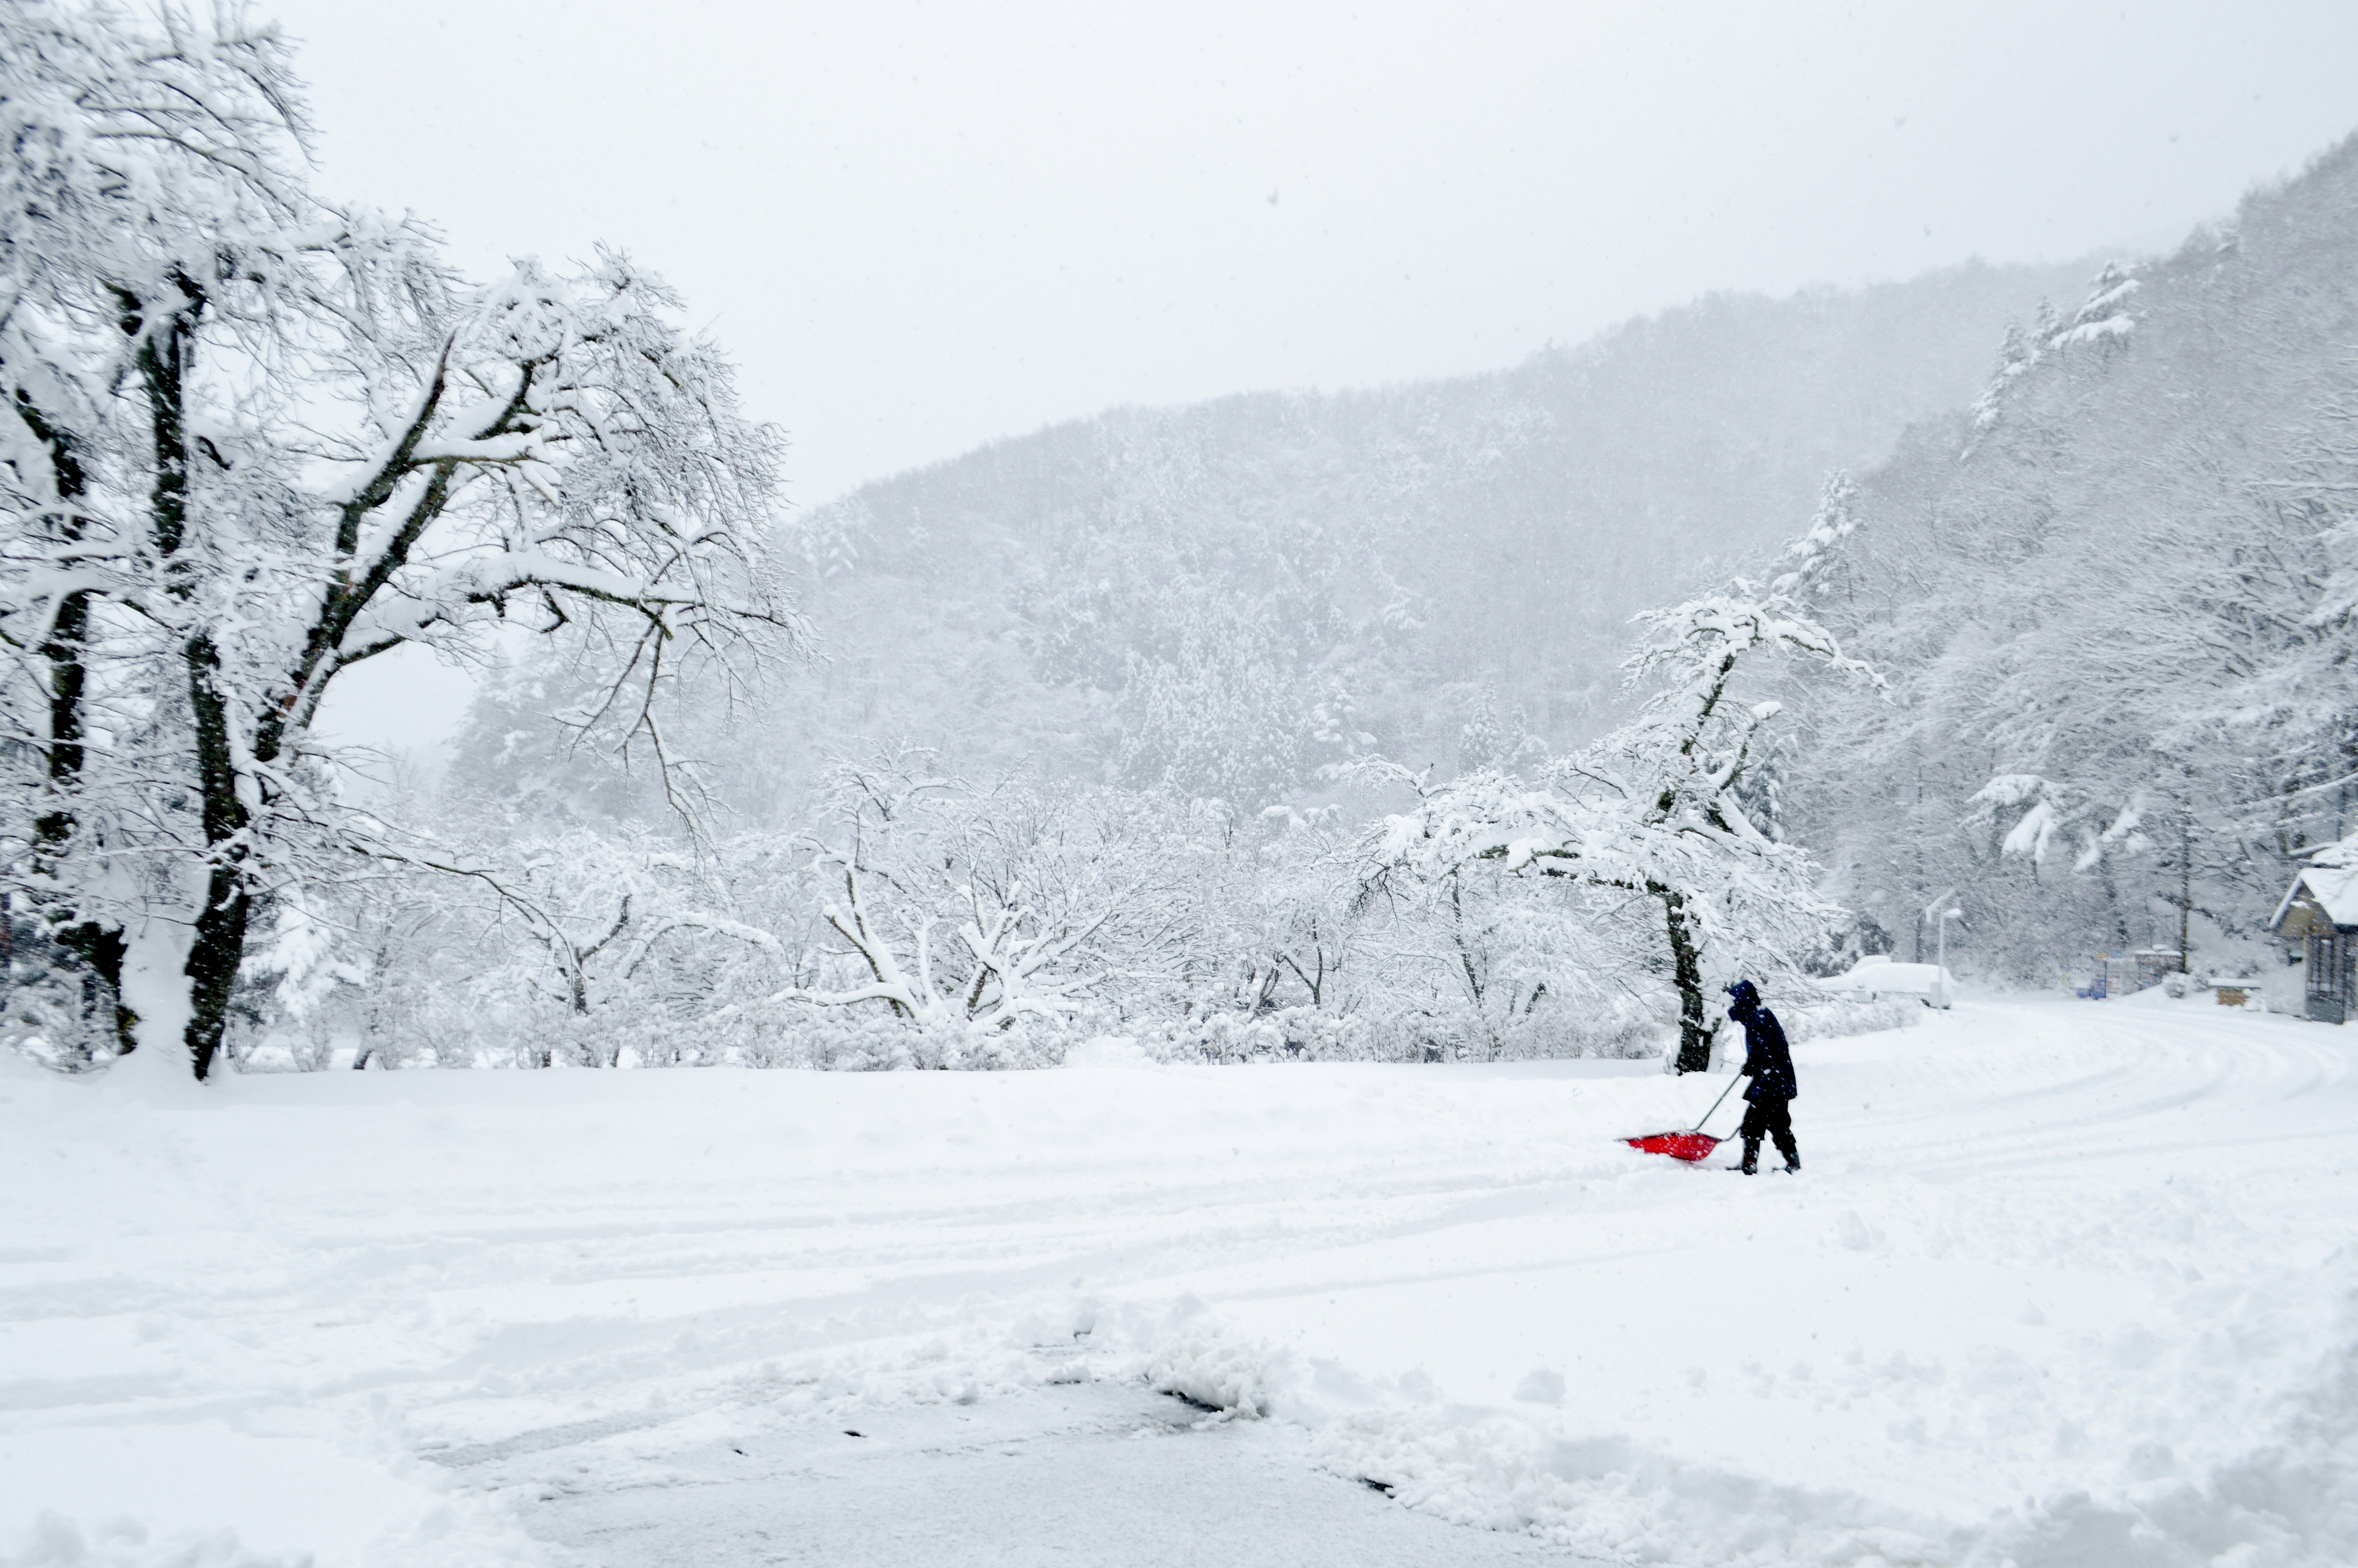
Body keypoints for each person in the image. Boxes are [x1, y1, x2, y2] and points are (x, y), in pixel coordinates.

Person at [1724, 980, 1799, 1174]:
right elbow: (1763, 1050)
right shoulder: (1755, 1017)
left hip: (1774, 1080)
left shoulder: (1760, 1018)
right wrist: (1754, 1064)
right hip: (1772, 1079)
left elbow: (1768, 1050)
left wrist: (1755, 1063)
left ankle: (1787, 1164)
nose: (1733, 1005)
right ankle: (1753, 1164)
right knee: (1762, 1122)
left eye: (1736, 1001)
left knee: (1769, 1123)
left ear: (1744, 1000)